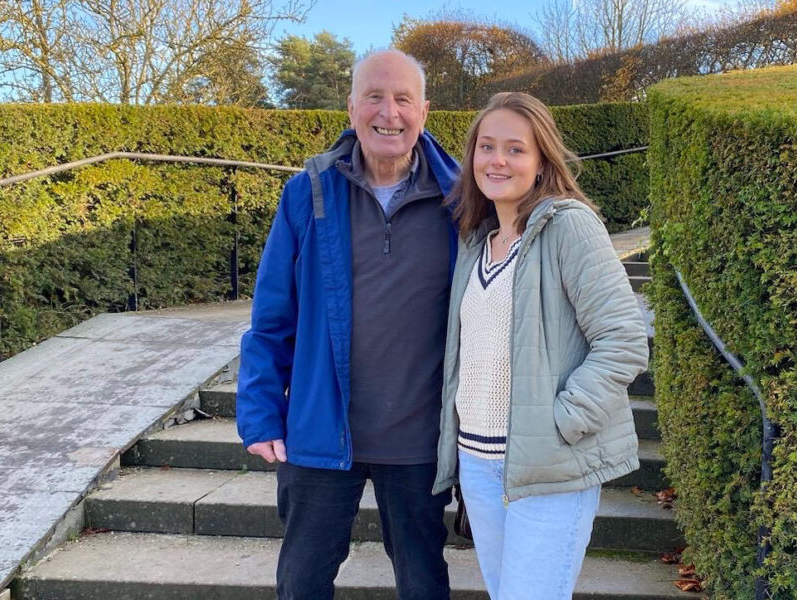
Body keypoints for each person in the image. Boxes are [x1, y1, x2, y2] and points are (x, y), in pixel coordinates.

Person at [237, 49, 457, 600]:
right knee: (303, 581)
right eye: (375, 96)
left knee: (424, 582)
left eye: (404, 98)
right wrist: (260, 411)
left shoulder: (464, 200)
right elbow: (270, 317)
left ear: (424, 110)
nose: (390, 112)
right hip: (320, 430)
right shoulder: (307, 193)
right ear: (351, 105)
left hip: (419, 438)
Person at [431, 92, 649, 600]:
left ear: (542, 160)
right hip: (479, 467)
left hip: (549, 468)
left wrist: (563, 421)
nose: (498, 160)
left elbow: (623, 339)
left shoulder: (568, 225)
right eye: (486, 146)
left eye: (515, 148)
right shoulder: (476, 241)